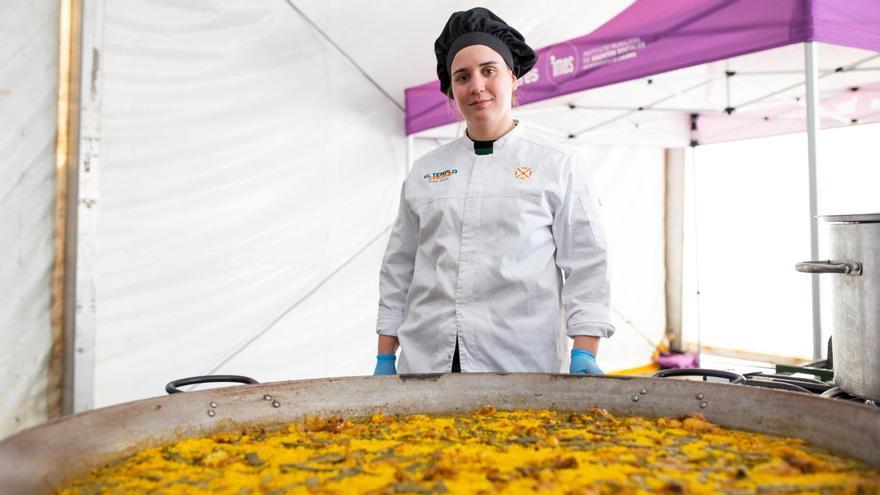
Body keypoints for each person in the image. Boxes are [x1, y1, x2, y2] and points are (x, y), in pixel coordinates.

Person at [373, 7, 613, 376]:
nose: (477, 86)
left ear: (513, 78)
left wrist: (585, 350)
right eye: (462, 76)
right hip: (426, 362)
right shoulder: (425, 171)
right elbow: (398, 268)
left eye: (489, 71)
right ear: (451, 90)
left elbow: (586, 263)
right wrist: (385, 357)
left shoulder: (558, 164)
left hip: (521, 362)